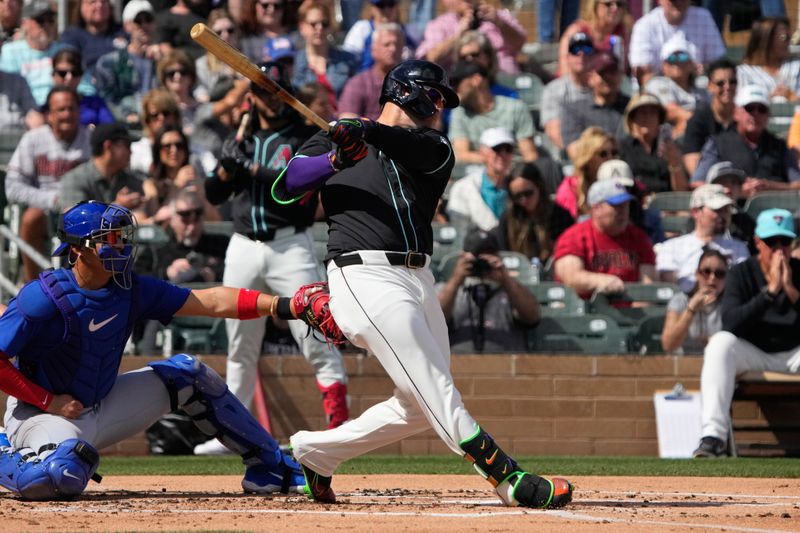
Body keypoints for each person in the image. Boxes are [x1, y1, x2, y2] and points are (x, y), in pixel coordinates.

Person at [276, 58, 573, 508]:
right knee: (435, 384)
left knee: (417, 405)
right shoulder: (331, 140)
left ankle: (316, 452)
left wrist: (364, 132)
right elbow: (286, 187)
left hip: (417, 278)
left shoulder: (434, 146)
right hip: (363, 274)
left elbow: (409, 147)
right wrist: (336, 157)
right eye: (433, 96)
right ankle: (505, 475)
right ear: (403, 91)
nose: (438, 107)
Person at [0, 200, 322, 500]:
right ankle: (3, 449)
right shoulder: (42, 297)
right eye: (108, 238)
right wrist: (47, 400)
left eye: (121, 237)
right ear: (77, 249)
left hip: (99, 404)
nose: (120, 245)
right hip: (41, 413)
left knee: (189, 374)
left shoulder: (131, 289)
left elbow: (210, 301)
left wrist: (283, 305)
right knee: (62, 475)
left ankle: (270, 468)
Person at [199, 61, 348, 455]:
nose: (269, 97)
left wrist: (247, 167)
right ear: (251, 96)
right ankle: (232, 433)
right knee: (240, 343)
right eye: (262, 90)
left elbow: (292, 190)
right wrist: (228, 169)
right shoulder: (241, 136)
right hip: (244, 243)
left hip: (290, 244)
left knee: (315, 330)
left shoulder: (305, 136)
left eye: (275, 90)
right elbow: (213, 195)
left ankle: (338, 426)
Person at [693, 208, 800, 458]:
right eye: (771, 242)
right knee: (720, 343)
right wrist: (770, 292)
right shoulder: (741, 273)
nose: (779, 249)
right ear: (757, 243)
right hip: (754, 352)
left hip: (795, 351)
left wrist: (791, 290)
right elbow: (731, 322)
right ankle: (713, 437)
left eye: (784, 242)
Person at [5, 87, 91, 282]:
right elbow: (12, 186)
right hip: (46, 207)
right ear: (49, 115)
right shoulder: (33, 139)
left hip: (85, 210)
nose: (67, 114)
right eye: (60, 110)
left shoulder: (91, 139)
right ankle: (35, 285)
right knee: (30, 219)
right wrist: (52, 200)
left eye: (71, 109)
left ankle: (88, 286)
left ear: (79, 111)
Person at [438, 230, 540, 353]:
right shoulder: (448, 289)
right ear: (463, 256)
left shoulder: (512, 289)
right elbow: (433, 319)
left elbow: (532, 317)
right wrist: (456, 280)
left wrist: (505, 278)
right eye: (478, 256)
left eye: (489, 256)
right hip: (457, 366)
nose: (483, 262)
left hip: (506, 366)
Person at [553, 178, 656, 299]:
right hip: (587, 311)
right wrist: (602, 281)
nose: (623, 211)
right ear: (596, 208)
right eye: (616, 205)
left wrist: (638, 312)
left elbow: (648, 286)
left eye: (626, 204)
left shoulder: (639, 237)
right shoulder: (574, 236)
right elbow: (570, 277)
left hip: (630, 311)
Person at [692, 84, 800, 193]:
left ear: (768, 115)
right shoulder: (717, 143)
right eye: (749, 108)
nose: (755, 114)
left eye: (761, 109)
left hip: (775, 208)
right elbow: (697, 183)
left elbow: (797, 184)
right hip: (728, 208)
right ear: (736, 113)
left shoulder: (780, 146)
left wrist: (769, 186)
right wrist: (736, 191)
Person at [656, 184, 749, 293]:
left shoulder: (738, 248)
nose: (723, 215)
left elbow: (743, 285)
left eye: (726, 210)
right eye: (717, 210)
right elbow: (669, 286)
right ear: (696, 212)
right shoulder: (672, 247)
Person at [448, 61, 538, 164]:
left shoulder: (515, 107)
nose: (453, 89)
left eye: (456, 83)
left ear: (476, 80)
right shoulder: (459, 113)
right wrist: (496, 160)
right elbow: (461, 155)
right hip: (478, 175)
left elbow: (530, 155)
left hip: (515, 171)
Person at [490, 162, 573, 265]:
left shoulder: (560, 215)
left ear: (539, 187)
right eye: (517, 196)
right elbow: (504, 254)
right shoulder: (508, 218)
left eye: (528, 193)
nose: (523, 200)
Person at [93, 0, 161, 124]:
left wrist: (163, 62)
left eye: (148, 20)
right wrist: (127, 116)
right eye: (138, 21)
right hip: (126, 126)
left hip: (158, 124)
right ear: (127, 25)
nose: (144, 25)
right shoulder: (109, 62)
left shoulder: (163, 60)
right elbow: (107, 100)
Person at [415, 0, 526, 74]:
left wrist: (500, 23)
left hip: (505, 84)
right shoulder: (439, 24)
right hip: (460, 90)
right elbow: (427, 59)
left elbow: (520, 42)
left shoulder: (500, 17)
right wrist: (457, 36)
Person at [628, 0, 724, 86]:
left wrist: (703, 69)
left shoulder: (704, 17)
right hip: (654, 94)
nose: (678, 2)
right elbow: (643, 75)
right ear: (659, 1)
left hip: (696, 89)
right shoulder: (643, 25)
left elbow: (718, 64)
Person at [57, 122, 144, 212]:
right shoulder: (75, 179)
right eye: (127, 146)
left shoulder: (129, 179)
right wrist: (118, 207)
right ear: (108, 146)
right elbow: (74, 219)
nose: (131, 152)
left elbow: (141, 214)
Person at [560, 51, 629, 156]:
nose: (608, 77)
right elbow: (574, 151)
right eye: (602, 74)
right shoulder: (575, 110)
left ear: (620, 75)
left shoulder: (632, 107)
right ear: (590, 78)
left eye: (612, 72)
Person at [617, 92, 689, 193]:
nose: (647, 117)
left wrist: (674, 162)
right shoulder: (622, 148)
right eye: (642, 112)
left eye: (652, 113)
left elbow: (681, 191)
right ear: (632, 118)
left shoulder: (670, 147)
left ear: (659, 118)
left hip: (668, 204)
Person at [446, 126, 515, 232]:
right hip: (475, 247)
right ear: (483, 152)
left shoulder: (519, 186)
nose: (503, 154)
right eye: (497, 149)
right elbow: (460, 230)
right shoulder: (463, 188)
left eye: (508, 149)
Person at [661, 247, 728, 354]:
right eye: (706, 272)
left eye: (719, 273)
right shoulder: (679, 301)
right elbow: (668, 345)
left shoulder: (731, 304)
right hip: (684, 366)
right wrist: (692, 308)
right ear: (697, 274)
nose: (712, 278)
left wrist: (714, 341)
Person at [291, 0, 359, 103]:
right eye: (313, 24)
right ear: (302, 27)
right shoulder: (293, 62)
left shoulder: (348, 60)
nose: (320, 28)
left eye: (324, 23)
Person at [682, 58, 738, 176]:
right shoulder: (698, 121)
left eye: (732, 82)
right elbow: (693, 167)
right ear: (710, 86)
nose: (727, 87)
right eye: (720, 83)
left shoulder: (743, 118)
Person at [338, 22, 405, 121]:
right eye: (387, 45)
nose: (393, 49)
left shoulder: (409, 84)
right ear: (373, 50)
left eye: (397, 44)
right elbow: (347, 121)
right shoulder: (358, 83)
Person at [644, 35, 708, 137]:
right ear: (663, 65)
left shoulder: (702, 90)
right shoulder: (657, 83)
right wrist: (703, 122)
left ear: (691, 63)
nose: (677, 62)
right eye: (672, 58)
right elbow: (670, 111)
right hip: (669, 138)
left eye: (683, 57)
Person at [0, 0, 59, 106]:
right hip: (24, 109)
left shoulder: (64, 51)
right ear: (25, 23)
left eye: (50, 20)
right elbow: (11, 87)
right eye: (40, 20)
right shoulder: (10, 51)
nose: (46, 25)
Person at [541, 31, 593, 151]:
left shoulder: (602, 87)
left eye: (587, 49)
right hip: (568, 155)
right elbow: (554, 133)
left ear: (594, 56)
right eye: (575, 50)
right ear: (568, 57)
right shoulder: (553, 90)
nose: (581, 54)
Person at [555, 126, 618, 219]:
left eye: (614, 152)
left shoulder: (620, 181)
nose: (610, 158)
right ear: (588, 158)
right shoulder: (569, 191)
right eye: (603, 154)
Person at [558, 0, 630, 76]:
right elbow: (565, 72)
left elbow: (622, 70)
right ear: (594, 5)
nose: (615, 8)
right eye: (608, 4)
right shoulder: (577, 31)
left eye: (619, 4)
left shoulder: (621, 31)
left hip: (609, 85)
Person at [737, 17, 800, 103]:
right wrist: (766, 100)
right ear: (767, 40)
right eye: (785, 37)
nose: (789, 41)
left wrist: (793, 97)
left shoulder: (797, 67)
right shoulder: (743, 73)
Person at [59, 0, 126, 79]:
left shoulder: (124, 32)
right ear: (81, 6)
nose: (100, 5)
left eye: (104, 1)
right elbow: (68, 68)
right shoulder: (71, 36)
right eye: (93, 2)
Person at [342, 0, 416, 72]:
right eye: (381, 5)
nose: (386, 9)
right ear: (372, 8)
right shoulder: (362, 28)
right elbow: (347, 61)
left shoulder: (409, 31)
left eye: (390, 4)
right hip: (369, 82)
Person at [50, 48, 115, 127]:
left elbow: (111, 129)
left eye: (75, 73)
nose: (69, 77)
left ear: (81, 76)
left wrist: (96, 133)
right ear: (53, 75)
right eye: (62, 73)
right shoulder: (46, 108)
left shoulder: (95, 103)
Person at [130, 88, 182, 177]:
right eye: (154, 115)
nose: (161, 118)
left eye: (166, 113)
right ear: (147, 120)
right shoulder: (137, 150)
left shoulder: (188, 144)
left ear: (175, 117)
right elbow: (156, 169)